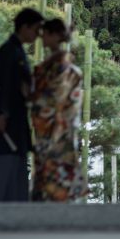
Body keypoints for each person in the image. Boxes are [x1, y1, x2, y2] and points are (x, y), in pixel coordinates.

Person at [0, 8, 44, 202]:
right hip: (6, 123)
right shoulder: (9, 51)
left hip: (14, 121)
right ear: (24, 27)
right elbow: (1, 84)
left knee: (13, 171)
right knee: (0, 171)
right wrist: (2, 112)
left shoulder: (15, 50)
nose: (38, 35)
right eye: (36, 29)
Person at [30, 18, 86, 202]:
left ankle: (54, 201)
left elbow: (56, 98)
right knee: (53, 165)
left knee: (53, 164)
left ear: (54, 36)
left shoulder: (61, 66)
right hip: (53, 123)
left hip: (55, 124)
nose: (41, 38)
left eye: (44, 34)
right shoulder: (59, 64)